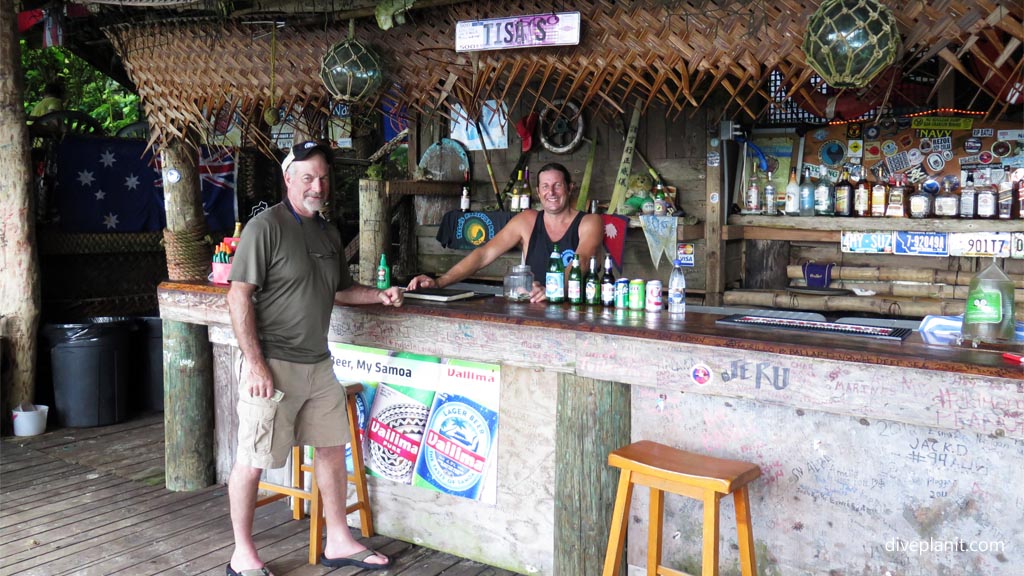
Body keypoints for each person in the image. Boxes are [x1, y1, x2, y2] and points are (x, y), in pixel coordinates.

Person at [226, 141, 402, 575]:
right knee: (253, 459)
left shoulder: (327, 232)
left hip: (318, 362)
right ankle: (242, 554)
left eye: (322, 177)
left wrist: (378, 295)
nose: (317, 185)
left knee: (330, 449)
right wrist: (255, 363)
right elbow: (238, 296)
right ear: (289, 180)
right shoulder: (264, 227)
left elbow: (340, 289)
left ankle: (339, 540)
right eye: (307, 177)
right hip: (271, 363)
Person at [407, 162, 603, 302]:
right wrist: (440, 282)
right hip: (535, 308)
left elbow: (582, 260)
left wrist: (555, 290)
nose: (551, 192)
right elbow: (484, 254)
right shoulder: (527, 220)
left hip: (579, 310)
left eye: (557, 186)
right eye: (545, 186)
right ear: (538, 192)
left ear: (570, 188)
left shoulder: (589, 222)